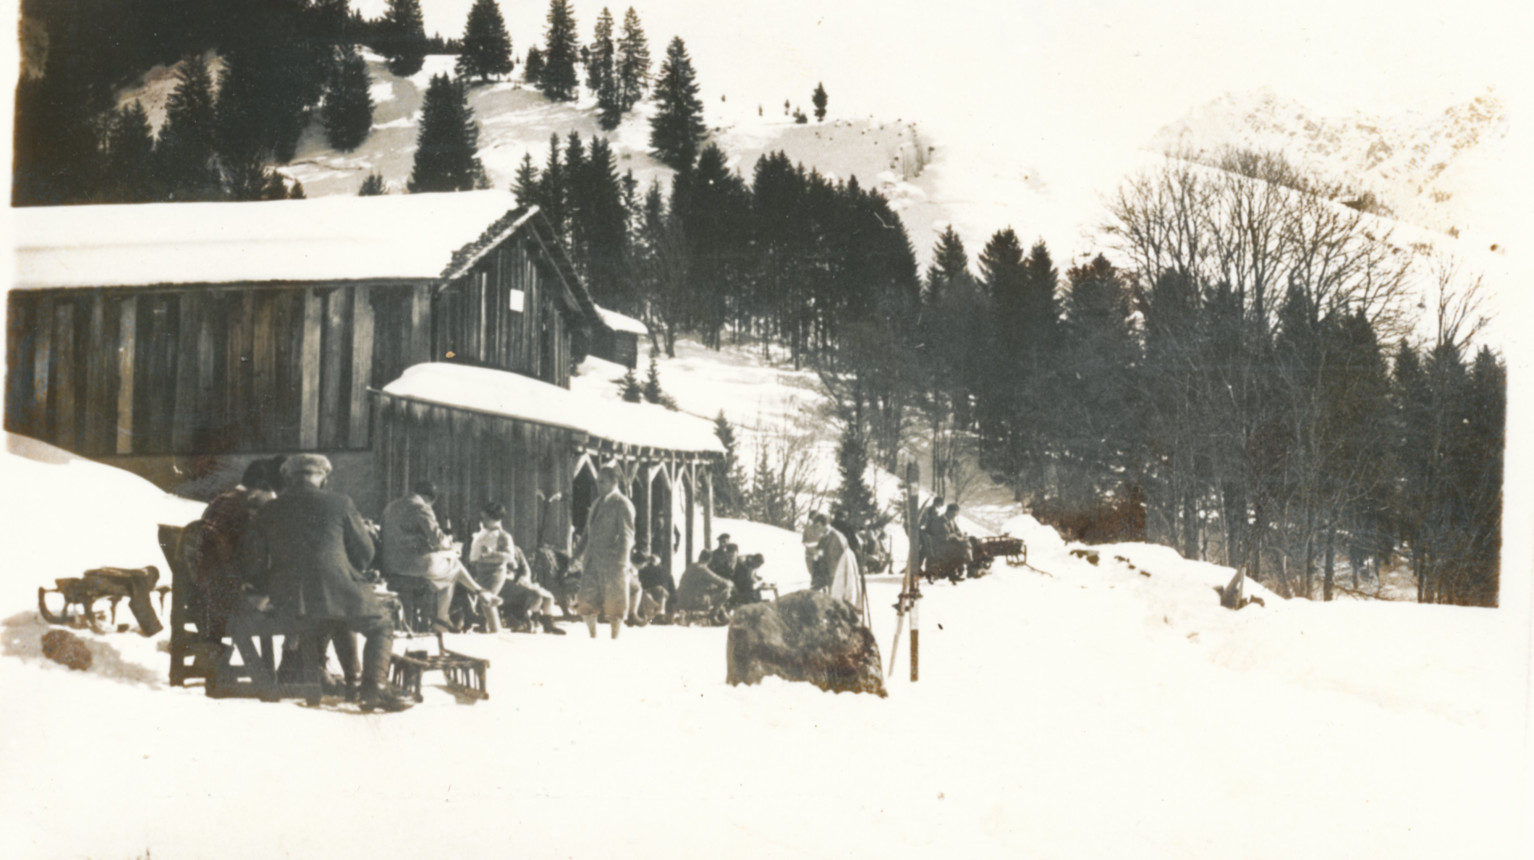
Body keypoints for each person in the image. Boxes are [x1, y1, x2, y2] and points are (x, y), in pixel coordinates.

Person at [242, 455, 412, 713]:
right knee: (381, 624)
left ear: (288, 478)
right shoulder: (340, 503)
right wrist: (347, 568)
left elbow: (254, 562)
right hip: (337, 593)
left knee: (332, 614)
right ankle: (373, 686)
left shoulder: (269, 510)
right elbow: (365, 553)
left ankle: (350, 680)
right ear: (323, 478)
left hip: (290, 601)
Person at [380, 480, 500, 632]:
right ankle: (450, 612)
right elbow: (438, 540)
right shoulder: (421, 507)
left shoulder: (391, 507)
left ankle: (446, 617)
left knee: (450, 567)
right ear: (431, 499)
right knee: (453, 562)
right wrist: (448, 543)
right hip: (412, 565)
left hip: (389, 565)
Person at [194, 458, 281, 641]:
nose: (273, 499)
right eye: (272, 493)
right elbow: (252, 559)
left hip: (205, 591)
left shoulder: (222, 499)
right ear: (260, 486)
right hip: (228, 597)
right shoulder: (245, 509)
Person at [469, 502, 564, 635]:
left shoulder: (503, 536)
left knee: (489, 599)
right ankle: (487, 624)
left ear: (494, 519)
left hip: (496, 573)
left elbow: (509, 556)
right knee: (486, 599)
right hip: (482, 572)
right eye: (482, 518)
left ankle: (498, 627)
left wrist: (491, 554)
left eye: (486, 519)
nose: (483, 521)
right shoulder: (482, 534)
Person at [576, 464, 635, 639]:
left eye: (603, 482)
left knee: (614, 603)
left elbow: (627, 536)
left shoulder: (622, 504)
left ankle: (615, 637)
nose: (598, 486)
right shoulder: (596, 503)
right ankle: (592, 636)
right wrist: (576, 555)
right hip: (592, 560)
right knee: (586, 600)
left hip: (613, 563)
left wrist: (622, 562)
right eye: (597, 482)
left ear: (614, 482)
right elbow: (587, 533)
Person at [804, 513, 864, 611]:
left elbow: (836, 560)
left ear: (825, 525)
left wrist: (827, 578)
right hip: (832, 571)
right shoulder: (825, 537)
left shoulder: (836, 537)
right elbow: (820, 558)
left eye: (818, 526)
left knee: (838, 596)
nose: (817, 529)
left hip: (840, 570)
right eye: (815, 527)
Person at [674, 549, 733, 620]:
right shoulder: (702, 569)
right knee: (726, 592)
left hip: (681, 599)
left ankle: (722, 613)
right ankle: (713, 616)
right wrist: (731, 583)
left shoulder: (691, 567)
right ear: (710, 560)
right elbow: (720, 581)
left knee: (714, 591)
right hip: (695, 601)